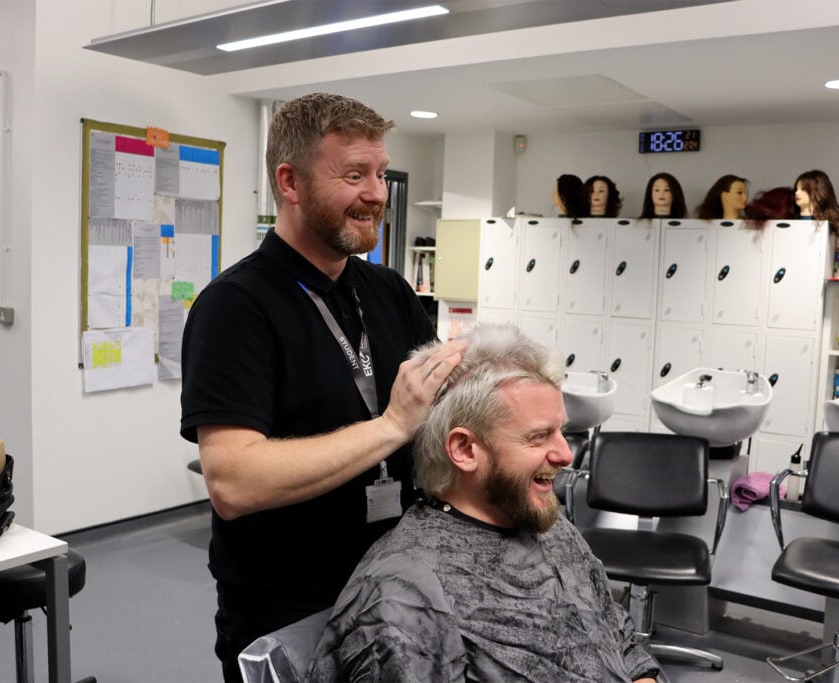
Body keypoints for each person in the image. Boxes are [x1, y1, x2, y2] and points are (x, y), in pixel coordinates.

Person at [179, 92, 465, 681]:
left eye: (381, 173)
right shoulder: (236, 307)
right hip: (289, 612)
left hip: (396, 592)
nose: (377, 193)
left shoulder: (389, 292)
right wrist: (389, 426)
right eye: (354, 174)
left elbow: (443, 415)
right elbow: (232, 480)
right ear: (290, 181)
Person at [306, 323, 661, 683]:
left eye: (562, 432)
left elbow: (622, 644)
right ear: (464, 450)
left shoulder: (554, 531)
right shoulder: (406, 596)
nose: (566, 454)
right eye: (539, 437)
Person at [794, 169, 839, 236]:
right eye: (796, 189)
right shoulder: (791, 224)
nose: (797, 193)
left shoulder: (825, 226)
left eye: (803, 189)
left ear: (818, 191)